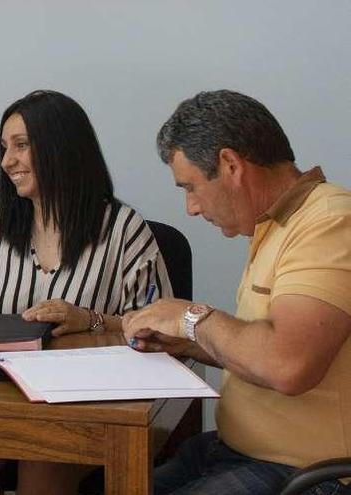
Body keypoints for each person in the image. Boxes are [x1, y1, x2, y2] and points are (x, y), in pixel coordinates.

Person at [0, 90, 172, 495]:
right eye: (3, 147)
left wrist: (91, 320)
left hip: (85, 406)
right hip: (0, 399)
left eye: (21, 146)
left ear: (61, 148)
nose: (6, 161)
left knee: (45, 456)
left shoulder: (122, 229)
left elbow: (162, 331)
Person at [123, 90, 351, 495]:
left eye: (190, 187)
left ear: (230, 165)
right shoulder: (275, 225)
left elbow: (287, 364)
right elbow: (263, 348)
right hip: (234, 450)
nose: (190, 207)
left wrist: (190, 318)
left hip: (302, 473)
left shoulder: (330, 222)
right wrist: (188, 343)